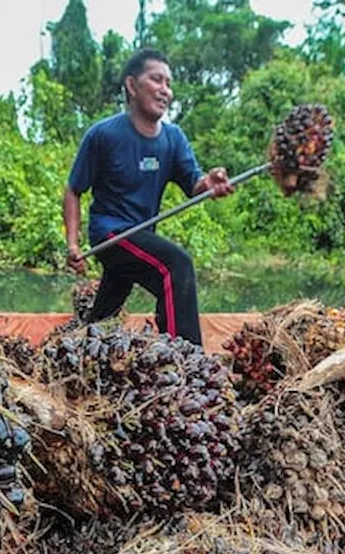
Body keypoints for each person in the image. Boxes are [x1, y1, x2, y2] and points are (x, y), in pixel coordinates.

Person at [63, 48, 234, 347]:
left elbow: (195, 184)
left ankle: (79, 338)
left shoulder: (174, 138)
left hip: (140, 237)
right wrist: (74, 244)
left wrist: (210, 182)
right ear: (132, 85)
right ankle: (187, 360)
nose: (165, 90)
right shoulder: (103, 135)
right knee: (175, 266)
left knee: (107, 307)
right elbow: (73, 190)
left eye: (168, 83)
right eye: (156, 80)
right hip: (110, 234)